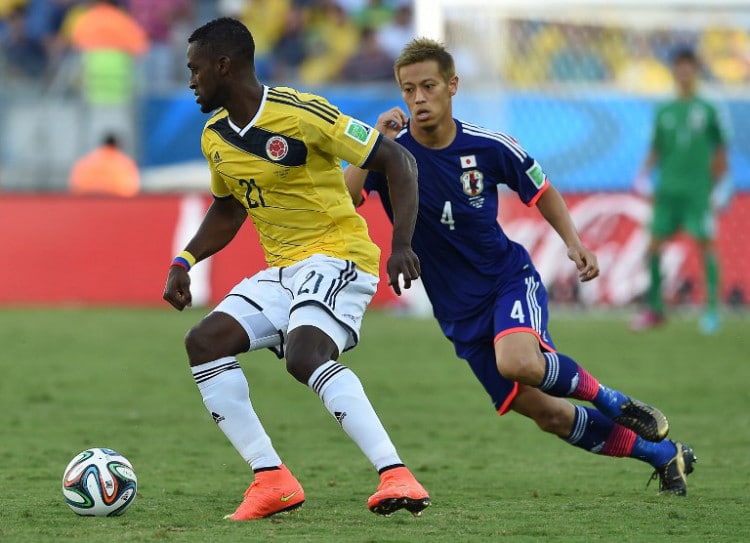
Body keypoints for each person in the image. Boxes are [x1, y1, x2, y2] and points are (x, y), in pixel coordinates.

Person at [344, 38, 696, 497]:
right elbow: (350, 195)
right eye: (408, 90)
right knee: (548, 414)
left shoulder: (488, 147)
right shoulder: (392, 152)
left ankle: (615, 401)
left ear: (452, 86)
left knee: (517, 361)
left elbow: (542, 189)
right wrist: (374, 143)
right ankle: (663, 455)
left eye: (428, 86)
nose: (417, 99)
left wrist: (574, 243)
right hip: (458, 313)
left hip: (506, 280)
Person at [162, 17, 430, 521]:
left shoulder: (303, 114)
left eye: (195, 69)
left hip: (340, 255)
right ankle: (271, 479)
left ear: (224, 65)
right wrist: (185, 260)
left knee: (305, 354)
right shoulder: (215, 136)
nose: (191, 80)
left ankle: (396, 474)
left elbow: (397, 161)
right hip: (284, 270)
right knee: (204, 342)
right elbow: (228, 208)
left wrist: (402, 245)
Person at [631, 47, 731, 335]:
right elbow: (656, 148)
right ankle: (655, 310)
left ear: (696, 70)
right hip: (667, 192)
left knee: (706, 245)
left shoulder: (711, 108)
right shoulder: (664, 110)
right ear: (674, 71)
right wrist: (642, 176)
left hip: (698, 193)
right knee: (653, 247)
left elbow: (721, 150)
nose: (683, 71)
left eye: (689, 66)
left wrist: (721, 184)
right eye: (679, 66)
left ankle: (712, 310)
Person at [68, 133, 140, 196]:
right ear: (118, 145)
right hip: (117, 202)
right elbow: (132, 189)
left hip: (88, 201)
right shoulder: (125, 163)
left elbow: (75, 186)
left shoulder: (86, 161)